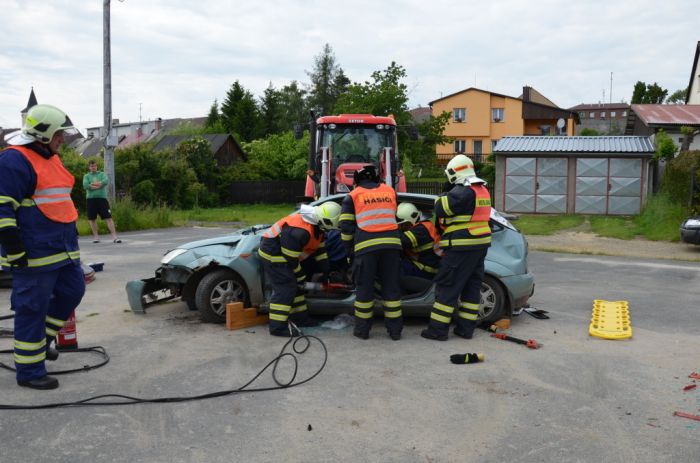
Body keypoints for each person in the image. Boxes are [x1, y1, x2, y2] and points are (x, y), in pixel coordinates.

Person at [0, 104, 86, 389]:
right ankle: (30, 371)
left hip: (63, 250)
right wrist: (14, 250)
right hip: (34, 253)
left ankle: (42, 342)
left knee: (73, 291)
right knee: (31, 309)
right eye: (59, 133)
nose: (63, 138)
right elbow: (3, 208)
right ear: (44, 134)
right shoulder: (14, 161)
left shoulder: (50, 157)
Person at [421, 155, 492, 341]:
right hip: (479, 246)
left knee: (448, 287)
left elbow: (440, 209)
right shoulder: (482, 189)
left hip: (462, 246)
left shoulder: (463, 191)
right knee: (471, 288)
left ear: (455, 172)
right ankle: (465, 329)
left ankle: (437, 330)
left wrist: (443, 194)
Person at [258, 202, 342, 336]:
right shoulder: (299, 230)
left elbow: (320, 250)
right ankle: (277, 327)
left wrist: (327, 271)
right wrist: (301, 275)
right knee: (285, 288)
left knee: (296, 287)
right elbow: (291, 259)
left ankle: (301, 319)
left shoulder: (317, 227)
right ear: (325, 221)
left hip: (287, 256)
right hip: (274, 255)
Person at [339, 165, 403, 340]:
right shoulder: (390, 191)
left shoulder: (352, 196)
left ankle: (362, 330)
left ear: (357, 181)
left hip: (366, 247)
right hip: (391, 246)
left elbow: (346, 227)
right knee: (391, 290)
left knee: (364, 291)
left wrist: (348, 250)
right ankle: (395, 331)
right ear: (376, 178)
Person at [396, 202, 442, 280]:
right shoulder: (424, 225)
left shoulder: (421, 230)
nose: (402, 227)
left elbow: (402, 241)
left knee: (391, 268)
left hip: (425, 271)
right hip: (425, 266)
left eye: (404, 224)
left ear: (411, 220)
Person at [83, 160, 121, 243]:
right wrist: (99, 185)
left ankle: (115, 237)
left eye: (95, 166)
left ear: (97, 166)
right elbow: (86, 185)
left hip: (102, 199)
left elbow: (105, 181)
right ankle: (96, 237)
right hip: (91, 200)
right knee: (92, 219)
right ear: (89, 167)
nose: (93, 167)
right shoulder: (86, 176)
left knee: (108, 217)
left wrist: (92, 184)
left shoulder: (102, 174)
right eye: (92, 166)